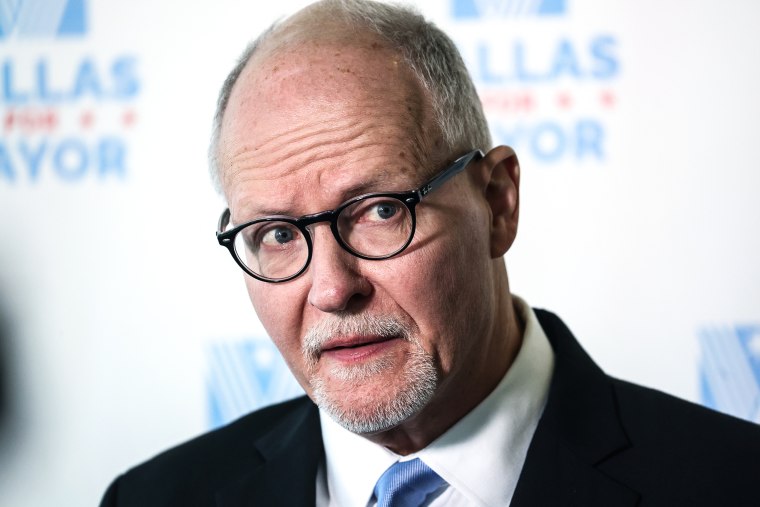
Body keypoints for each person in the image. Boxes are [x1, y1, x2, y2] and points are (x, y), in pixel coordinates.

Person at [100, 1, 760, 505]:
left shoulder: (730, 481)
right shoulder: (154, 496)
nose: (332, 287)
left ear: (498, 203)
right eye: (277, 233)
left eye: (381, 211)